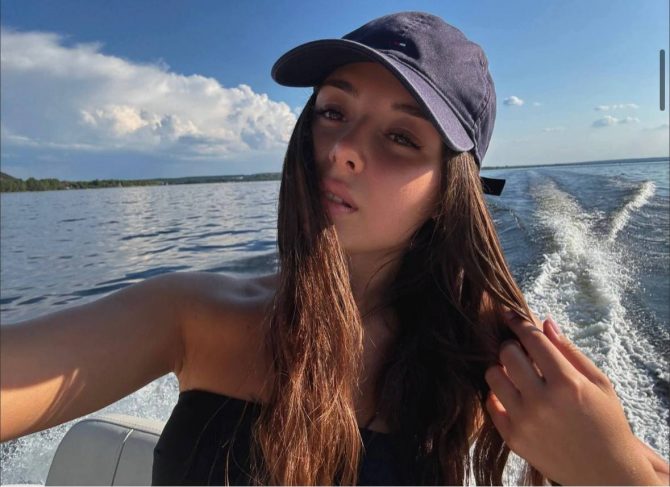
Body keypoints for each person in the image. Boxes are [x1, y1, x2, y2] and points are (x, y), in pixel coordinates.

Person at [1, 11, 668, 486]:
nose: (344, 148)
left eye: (401, 138)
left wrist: (613, 474)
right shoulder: (189, 315)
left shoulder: (488, 359)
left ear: (449, 188)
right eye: (332, 112)